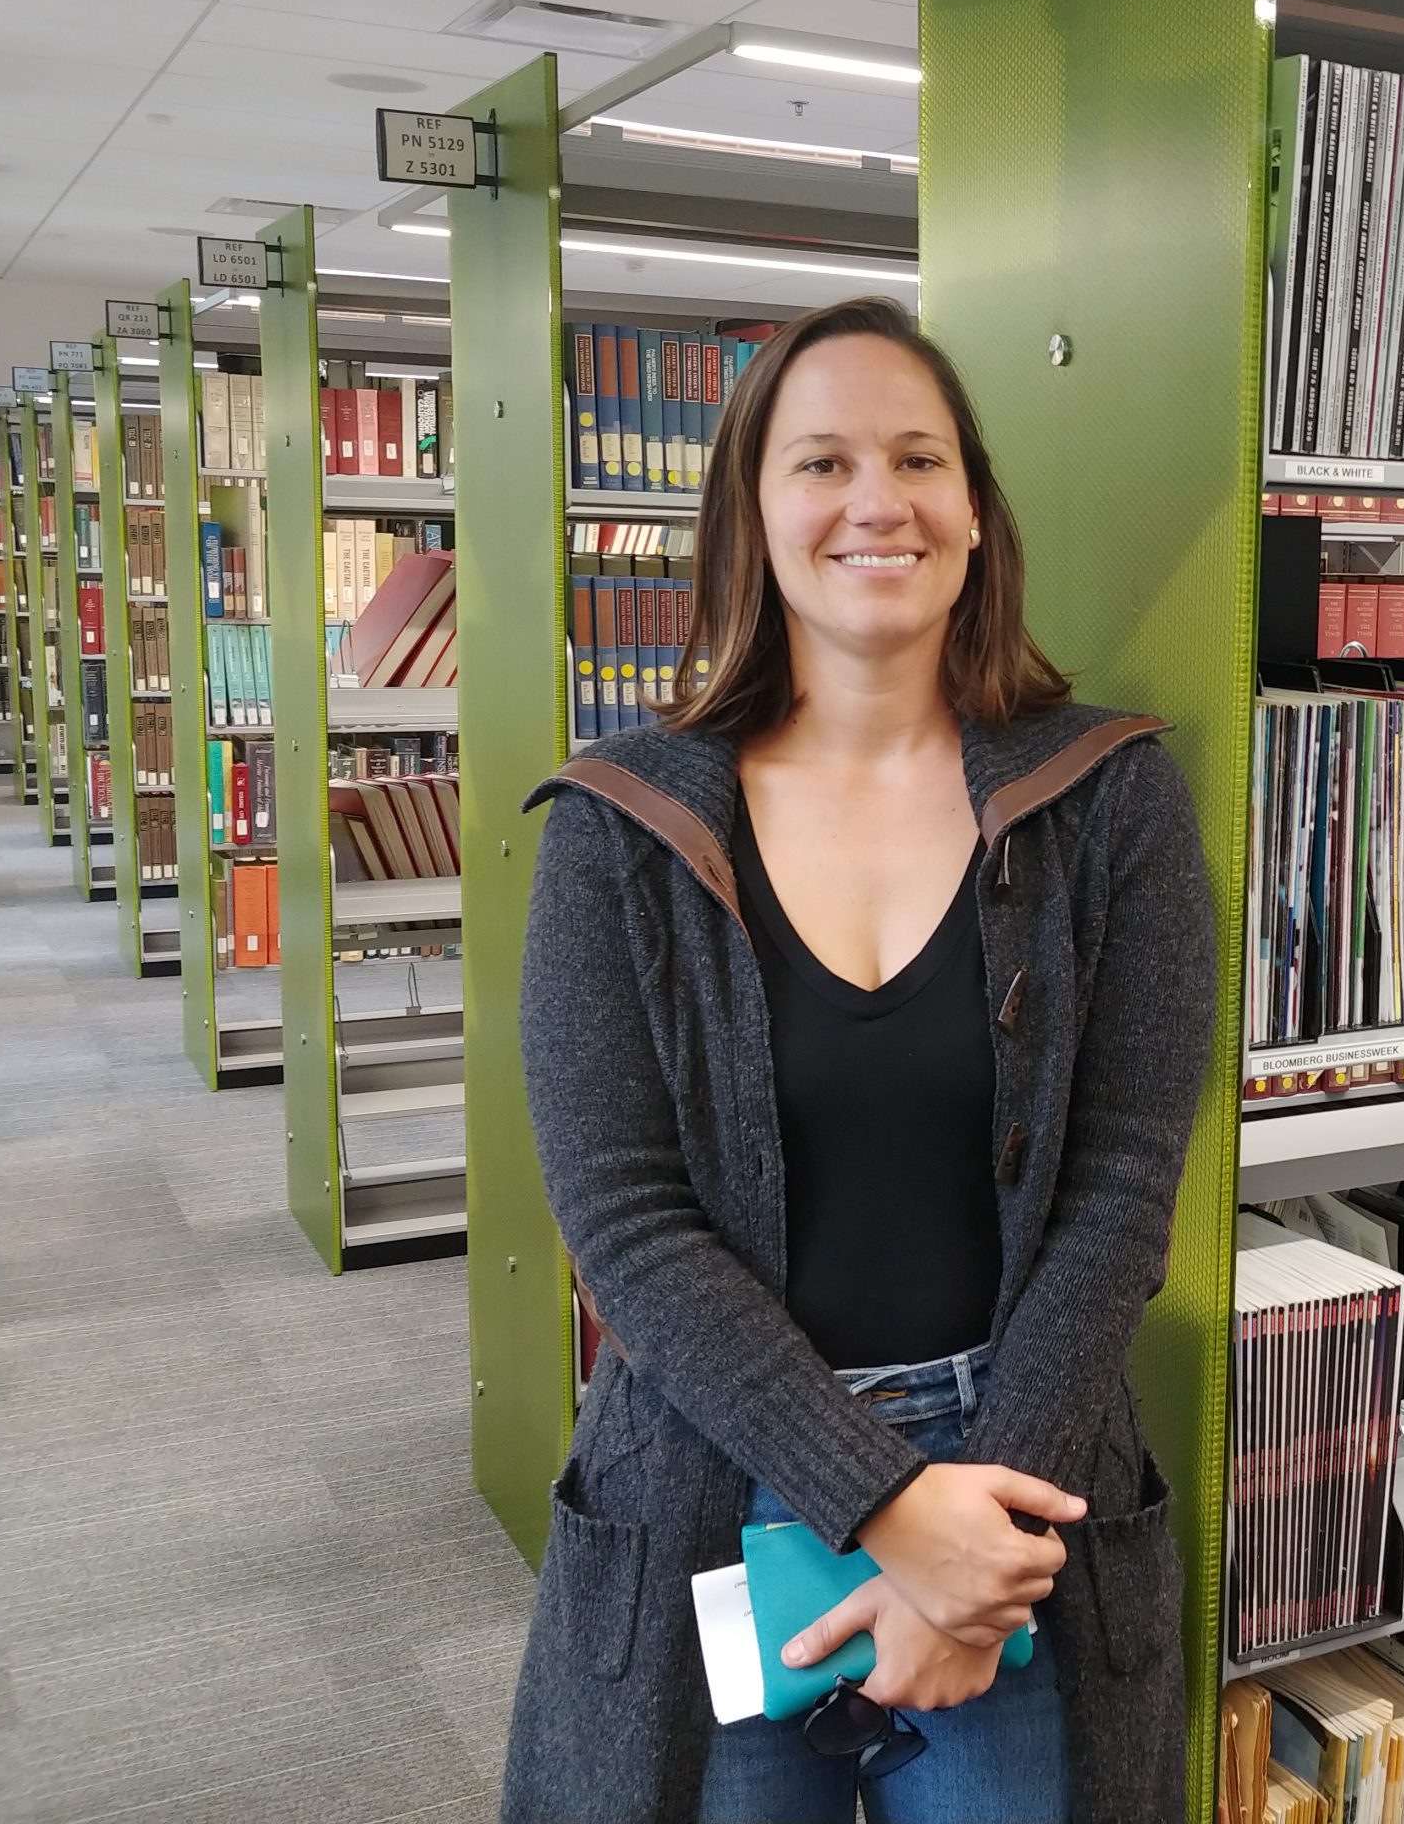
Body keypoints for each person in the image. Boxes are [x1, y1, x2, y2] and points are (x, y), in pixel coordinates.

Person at [499, 294, 1216, 1823]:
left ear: (973, 512)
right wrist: (889, 1509)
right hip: (719, 1468)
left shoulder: (1114, 805)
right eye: (821, 463)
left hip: (1022, 1480)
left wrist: (974, 1544)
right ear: (752, 517)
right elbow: (624, 1226)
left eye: (918, 458)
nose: (876, 501)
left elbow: (1123, 1189)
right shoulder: (621, 832)